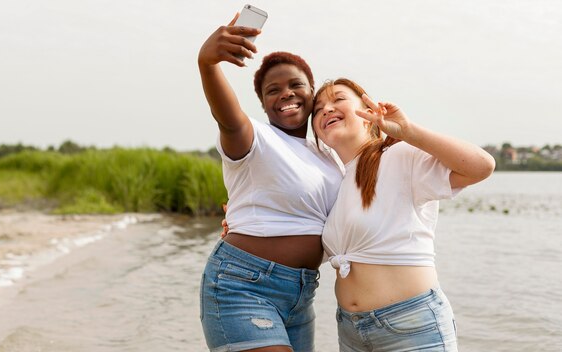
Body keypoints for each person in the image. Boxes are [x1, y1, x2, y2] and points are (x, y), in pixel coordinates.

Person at [311, 78, 495, 351]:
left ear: (367, 115)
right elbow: (312, 251)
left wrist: (408, 131)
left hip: (411, 326)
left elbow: (481, 166)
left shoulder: (399, 155)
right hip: (351, 332)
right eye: (318, 108)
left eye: (338, 99)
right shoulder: (335, 184)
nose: (326, 109)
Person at [197, 14, 343, 352]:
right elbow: (228, 119)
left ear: (313, 92)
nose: (286, 94)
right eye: (272, 90)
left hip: (301, 295)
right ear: (262, 103)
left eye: (295, 85)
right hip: (242, 287)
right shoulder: (254, 137)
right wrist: (207, 65)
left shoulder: (329, 156)